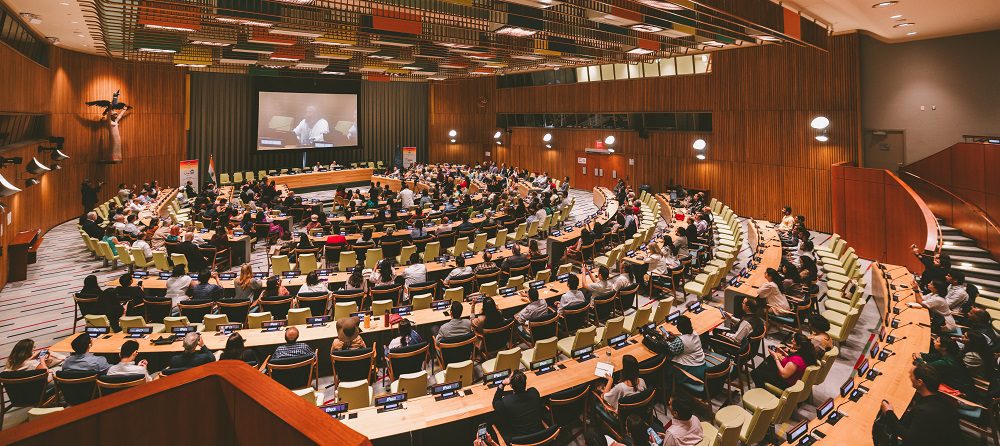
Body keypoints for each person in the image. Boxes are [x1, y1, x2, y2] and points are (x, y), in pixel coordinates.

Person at [878, 363, 963, 446]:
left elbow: (908, 438)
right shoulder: (943, 400)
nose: (909, 377)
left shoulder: (924, 412)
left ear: (919, 382)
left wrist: (889, 412)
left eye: (911, 376)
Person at [492, 370, 546, 440]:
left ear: (511, 385)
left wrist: (502, 384)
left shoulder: (506, 402)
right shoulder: (534, 392)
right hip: (540, 437)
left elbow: (495, 401)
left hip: (520, 441)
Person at [751, 332, 816, 390]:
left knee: (755, 373)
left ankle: (761, 390)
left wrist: (776, 357)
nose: (791, 341)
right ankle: (761, 378)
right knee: (769, 361)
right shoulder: (805, 353)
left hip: (786, 384)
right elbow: (791, 359)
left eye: (793, 341)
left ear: (799, 346)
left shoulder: (795, 361)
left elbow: (784, 375)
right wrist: (783, 352)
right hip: (791, 376)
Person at [668, 315, 707, 383]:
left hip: (692, 373)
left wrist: (664, 339)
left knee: (667, 363)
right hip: (702, 367)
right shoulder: (695, 333)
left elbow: (669, 350)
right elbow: (685, 340)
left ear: (679, 327)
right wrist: (675, 337)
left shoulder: (680, 341)